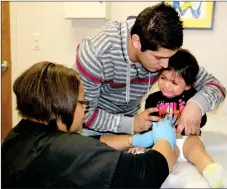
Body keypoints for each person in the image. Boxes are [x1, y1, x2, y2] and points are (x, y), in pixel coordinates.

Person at [2, 61, 179, 188]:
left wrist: (134, 140)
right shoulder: (65, 149)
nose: (86, 109)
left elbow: (90, 143)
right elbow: (145, 174)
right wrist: (165, 141)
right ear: (64, 105)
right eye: (82, 103)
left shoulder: (17, 136)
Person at [73, 2, 226, 137]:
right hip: (90, 130)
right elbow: (86, 114)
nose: (166, 65)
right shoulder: (96, 52)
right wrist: (130, 124)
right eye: (158, 58)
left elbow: (216, 86)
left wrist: (196, 105)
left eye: (169, 57)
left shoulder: (164, 51)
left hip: (133, 128)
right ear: (137, 42)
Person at [130, 49, 224, 188]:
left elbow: (201, 120)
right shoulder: (153, 98)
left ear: (188, 85)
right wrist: (142, 143)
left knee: (196, 149)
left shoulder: (193, 97)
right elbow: (150, 123)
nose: (166, 85)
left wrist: (191, 125)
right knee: (163, 155)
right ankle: (164, 177)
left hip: (186, 138)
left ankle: (211, 170)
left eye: (174, 83)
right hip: (165, 141)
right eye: (163, 78)